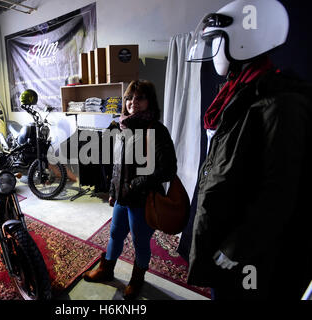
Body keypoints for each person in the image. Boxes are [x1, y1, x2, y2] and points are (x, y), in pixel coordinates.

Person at [186, 0, 312, 299]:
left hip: (251, 254)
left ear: (244, 40)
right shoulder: (237, 94)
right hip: (225, 232)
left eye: (217, 39)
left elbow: (279, 193)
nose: (214, 50)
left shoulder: (280, 104)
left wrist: (235, 247)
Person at [83, 80, 177, 300]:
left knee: (140, 242)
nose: (133, 102)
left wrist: (135, 184)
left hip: (142, 199)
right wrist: (114, 192)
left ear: (150, 101)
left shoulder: (156, 129)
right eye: (130, 97)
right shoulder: (122, 125)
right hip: (122, 197)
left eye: (140, 97)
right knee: (115, 234)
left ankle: (137, 280)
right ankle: (106, 270)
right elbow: (119, 164)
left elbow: (168, 169)